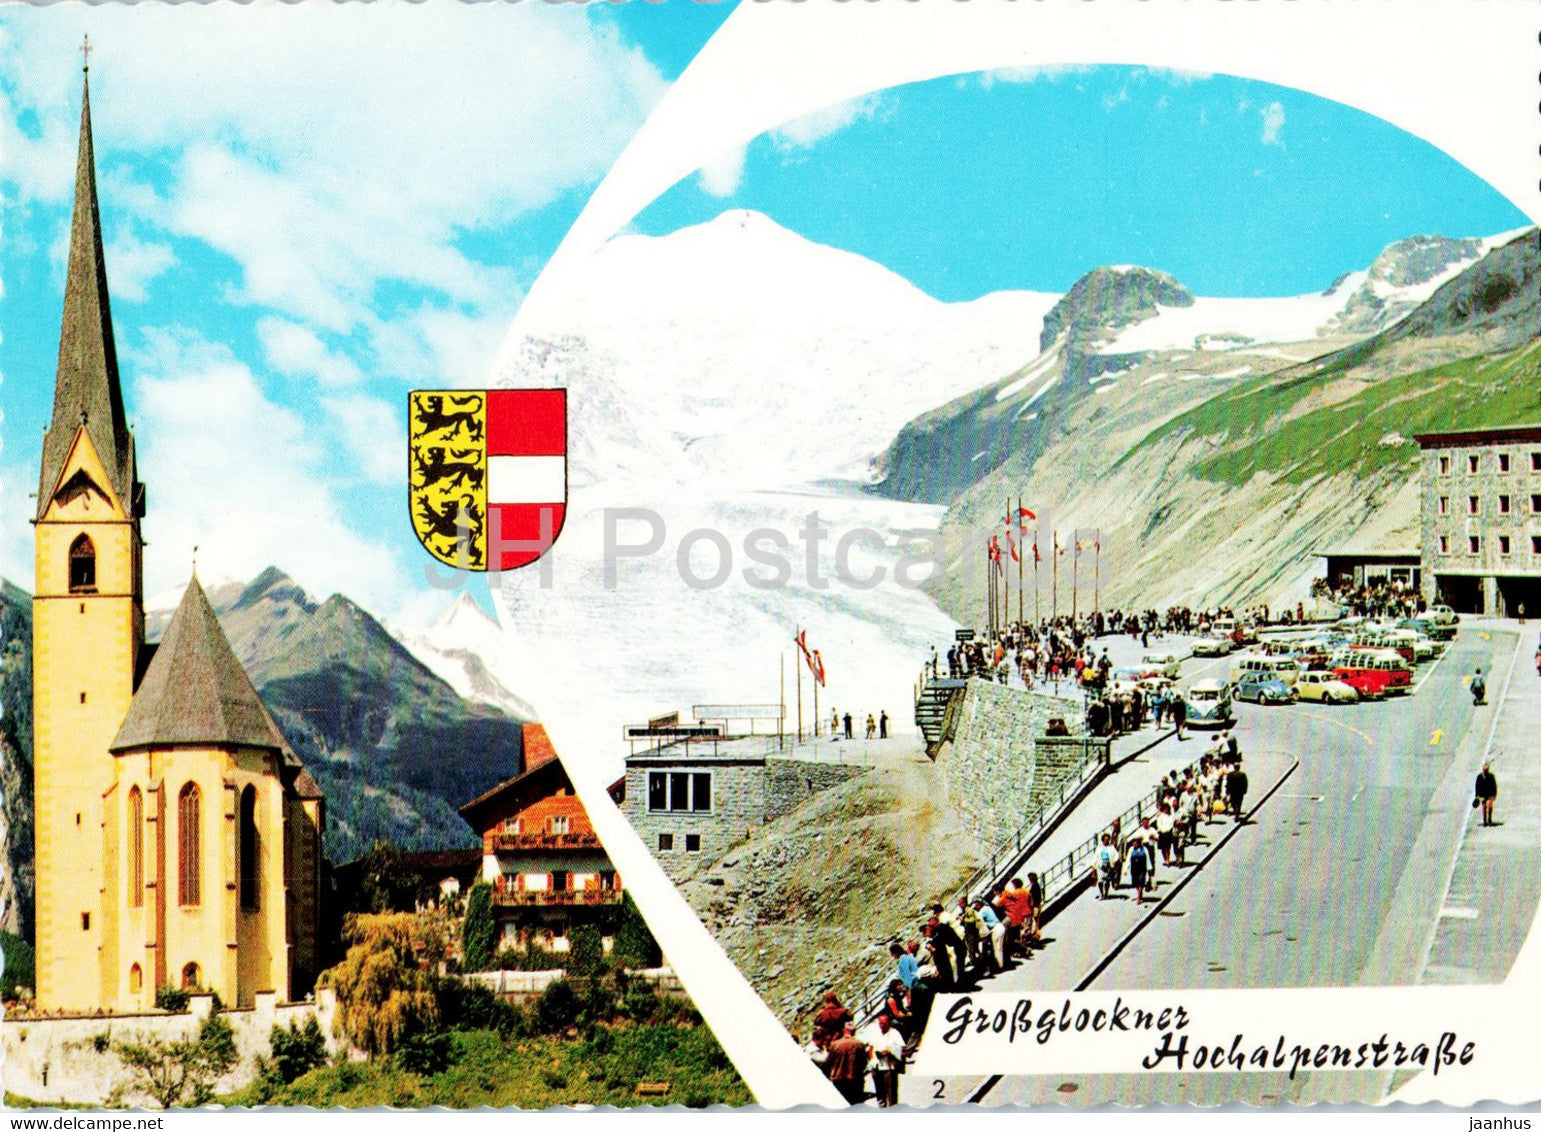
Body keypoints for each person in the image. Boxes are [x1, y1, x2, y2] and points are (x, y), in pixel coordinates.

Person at [862, 1013, 906, 1107]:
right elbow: (871, 1047)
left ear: (888, 1023)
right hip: (877, 1067)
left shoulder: (895, 1033)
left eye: (884, 1023)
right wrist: (872, 1061)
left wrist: (890, 1052)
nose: (882, 1025)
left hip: (889, 1067)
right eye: (880, 1023)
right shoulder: (875, 1033)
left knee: (891, 1092)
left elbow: (900, 1050)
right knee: (879, 1091)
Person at [825, 1021, 869, 1104]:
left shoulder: (835, 1044)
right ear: (854, 1031)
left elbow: (828, 1061)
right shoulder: (860, 1044)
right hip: (855, 1079)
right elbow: (864, 1062)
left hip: (839, 1079)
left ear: (844, 1030)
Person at [1097, 832, 1118, 899]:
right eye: (1105, 839)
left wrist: (1114, 861)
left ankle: (1106, 893)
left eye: (1108, 839)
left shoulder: (1111, 847)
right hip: (1101, 866)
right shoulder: (1099, 847)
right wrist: (1094, 866)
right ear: (1103, 840)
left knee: (1107, 880)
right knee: (1100, 881)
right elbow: (1096, 857)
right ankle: (1101, 893)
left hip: (1108, 865)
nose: (1107, 841)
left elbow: (1116, 855)